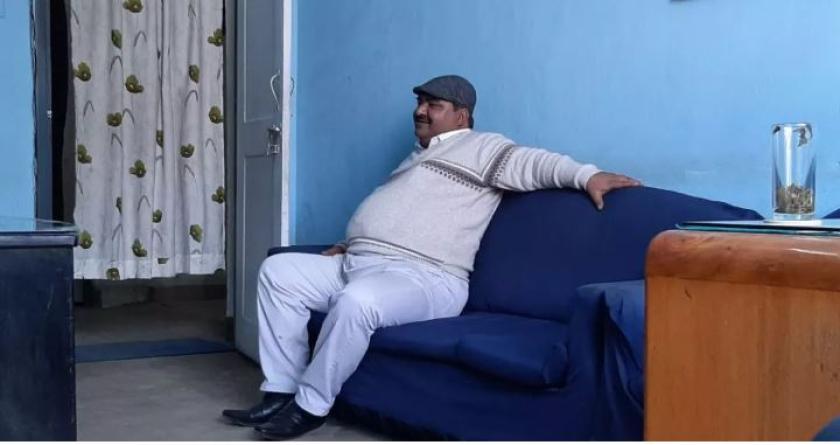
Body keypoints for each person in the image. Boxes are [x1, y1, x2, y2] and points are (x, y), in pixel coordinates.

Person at [222, 75, 640, 440]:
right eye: (420, 103)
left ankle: (310, 406)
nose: (420, 111)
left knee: (357, 302)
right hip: (361, 263)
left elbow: (535, 164)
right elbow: (403, 213)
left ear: (461, 115)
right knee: (279, 271)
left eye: (433, 105)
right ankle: (280, 391)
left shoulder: (482, 147)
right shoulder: (418, 157)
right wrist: (355, 241)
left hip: (427, 278)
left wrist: (588, 175)